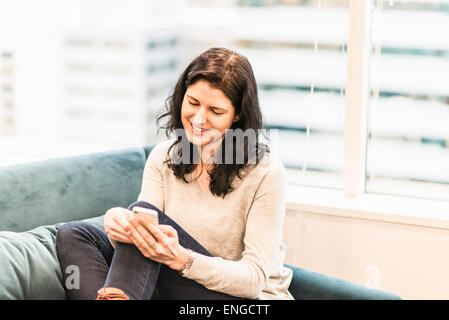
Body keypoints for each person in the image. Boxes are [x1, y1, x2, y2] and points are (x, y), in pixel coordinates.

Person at [55, 47, 293, 300]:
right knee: (75, 234)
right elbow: (140, 249)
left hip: (242, 297)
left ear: (237, 116)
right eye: (193, 103)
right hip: (174, 283)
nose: (199, 119)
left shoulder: (266, 172)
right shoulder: (163, 157)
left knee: (146, 215)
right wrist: (118, 223)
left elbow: (253, 281)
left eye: (215, 111)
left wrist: (181, 258)